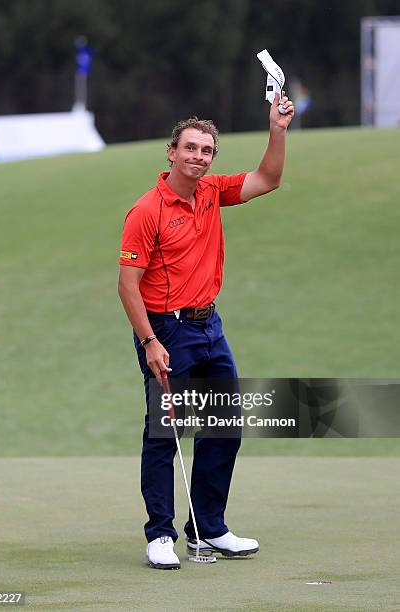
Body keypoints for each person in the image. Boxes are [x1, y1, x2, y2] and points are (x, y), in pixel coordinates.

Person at [118, 92, 295, 569]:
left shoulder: (213, 192)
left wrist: (276, 129)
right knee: (164, 431)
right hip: (166, 329)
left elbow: (268, 178)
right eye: (190, 148)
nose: (198, 156)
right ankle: (160, 535)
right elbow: (127, 286)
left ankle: (208, 530)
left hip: (209, 326)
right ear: (172, 152)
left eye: (206, 150)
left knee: (223, 427)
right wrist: (150, 342)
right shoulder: (147, 210)